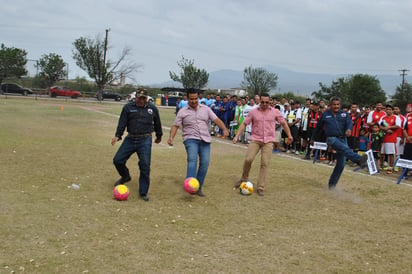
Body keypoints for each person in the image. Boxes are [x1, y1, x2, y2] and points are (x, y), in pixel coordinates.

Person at [168, 89, 229, 197]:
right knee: (192, 160)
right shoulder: (182, 111)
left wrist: (224, 129)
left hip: (205, 139)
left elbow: (216, 119)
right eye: (191, 99)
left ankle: (198, 188)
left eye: (195, 98)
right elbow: (175, 125)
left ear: (198, 98)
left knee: (205, 163)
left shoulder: (206, 109)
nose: (194, 101)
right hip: (190, 139)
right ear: (187, 99)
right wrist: (171, 137)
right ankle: (190, 186)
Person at [233, 93, 293, 196]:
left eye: (266, 102)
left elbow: (283, 123)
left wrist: (289, 135)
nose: (264, 104)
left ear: (270, 102)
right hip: (255, 139)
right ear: (259, 101)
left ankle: (260, 187)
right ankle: (244, 178)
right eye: (262, 102)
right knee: (248, 159)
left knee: (264, 163)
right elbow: (244, 123)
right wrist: (236, 135)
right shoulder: (253, 112)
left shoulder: (275, 112)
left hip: (269, 141)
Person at [112, 90, 163, 201]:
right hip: (130, 138)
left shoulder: (152, 109)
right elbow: (122, 122)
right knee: (118, 160)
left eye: (144, 98)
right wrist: (118, 135)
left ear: (146, 98)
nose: (141, 100)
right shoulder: (128, 108)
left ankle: (143, 192)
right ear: (135, 97)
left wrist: (159, 136)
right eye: (139, 98)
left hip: (145, 139)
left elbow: (158, 123)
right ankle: (125, 176)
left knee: (145, 165)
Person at [311, 97, 368, 190]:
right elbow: (318, 128)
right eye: (334, 104)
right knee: (345, 149)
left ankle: (332, 185)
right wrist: (313, 138)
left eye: (338, 104)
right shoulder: (325, 115)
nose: (336, 106)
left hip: (342, 139)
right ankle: (358, 159)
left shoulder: (344, 114)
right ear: (330, 105)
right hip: (331, 138)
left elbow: (349, 123)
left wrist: (349, 129)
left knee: (341, 165)